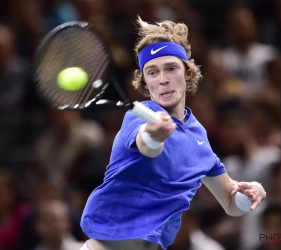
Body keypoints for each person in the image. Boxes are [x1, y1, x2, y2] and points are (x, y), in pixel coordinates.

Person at [80, 16, 267, 250]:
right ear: (145, 83)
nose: (163, 80)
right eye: (152, 72)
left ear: (187, 73)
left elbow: (230, 201)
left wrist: (248, 194)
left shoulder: (198, 136)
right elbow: (146, 144)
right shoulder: (139, 115)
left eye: (171, 68)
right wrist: (155, 136)